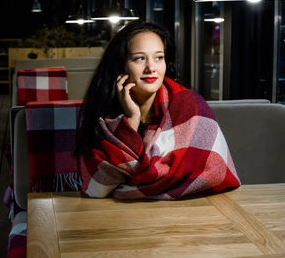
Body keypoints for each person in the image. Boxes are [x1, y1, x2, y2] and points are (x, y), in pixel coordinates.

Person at [76, 21, 241, 200]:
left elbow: (216, 175)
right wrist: (132, 120)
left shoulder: (190, 106)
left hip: (193, 212)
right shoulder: (103, 116)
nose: (151, 68)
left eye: (158, 57)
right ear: (122, 65)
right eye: (139, 58)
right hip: (120, 217)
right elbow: (98, 189)